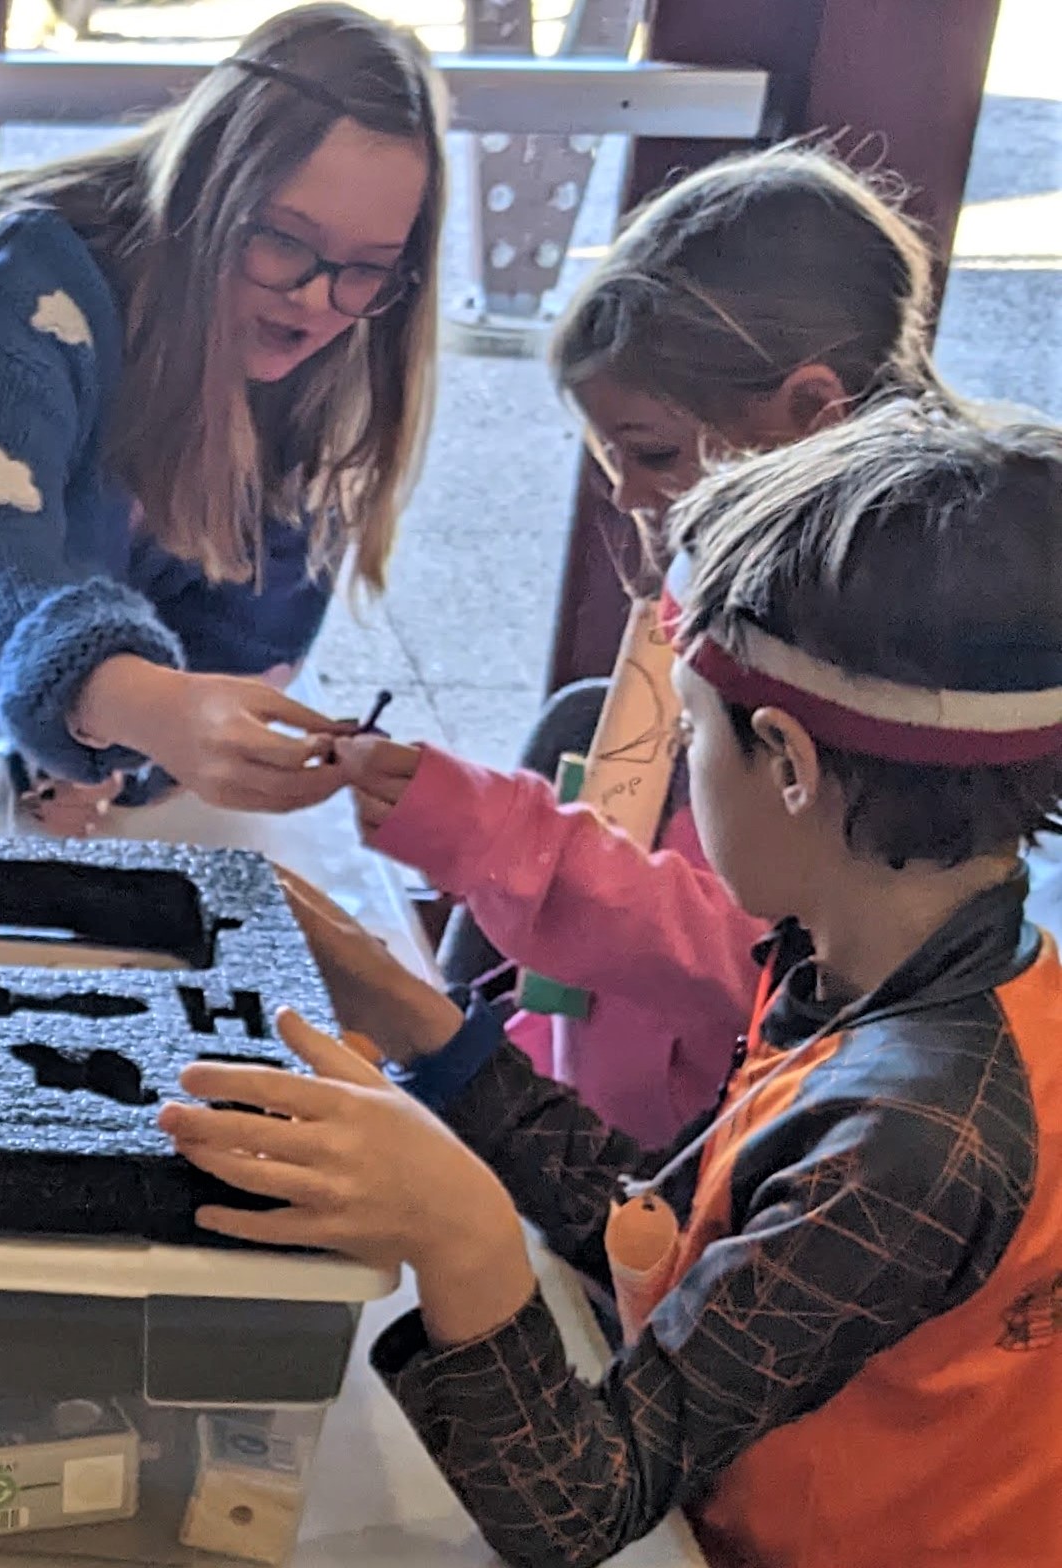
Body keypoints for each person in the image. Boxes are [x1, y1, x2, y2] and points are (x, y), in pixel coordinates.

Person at [162, 400, 1062, 1568]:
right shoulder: (869, 972)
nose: (684, 773)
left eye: (692, 732)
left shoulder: (920, 1133)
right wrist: (417, 1018)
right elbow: (665, 1229)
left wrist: (460, 1228)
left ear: (786, 760)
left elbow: (584, 1501)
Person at [348, 145, 946, 1141]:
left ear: (808, 411)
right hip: (597, 1102)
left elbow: (751, 956)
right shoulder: (725, 569)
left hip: (689, 1162)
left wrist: (479, 827)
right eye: (606, 454)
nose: (624, 491)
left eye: (654, 451)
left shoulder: (869, 674)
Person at [0, 4, 446, 833]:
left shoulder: (331, 359)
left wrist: (127, 765)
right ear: (204, 194)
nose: (317, 300)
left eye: (367, 269)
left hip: (67, 597)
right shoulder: (7, 282)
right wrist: (137, 707)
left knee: (52, 794)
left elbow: (245, 636)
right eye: (283, 240)